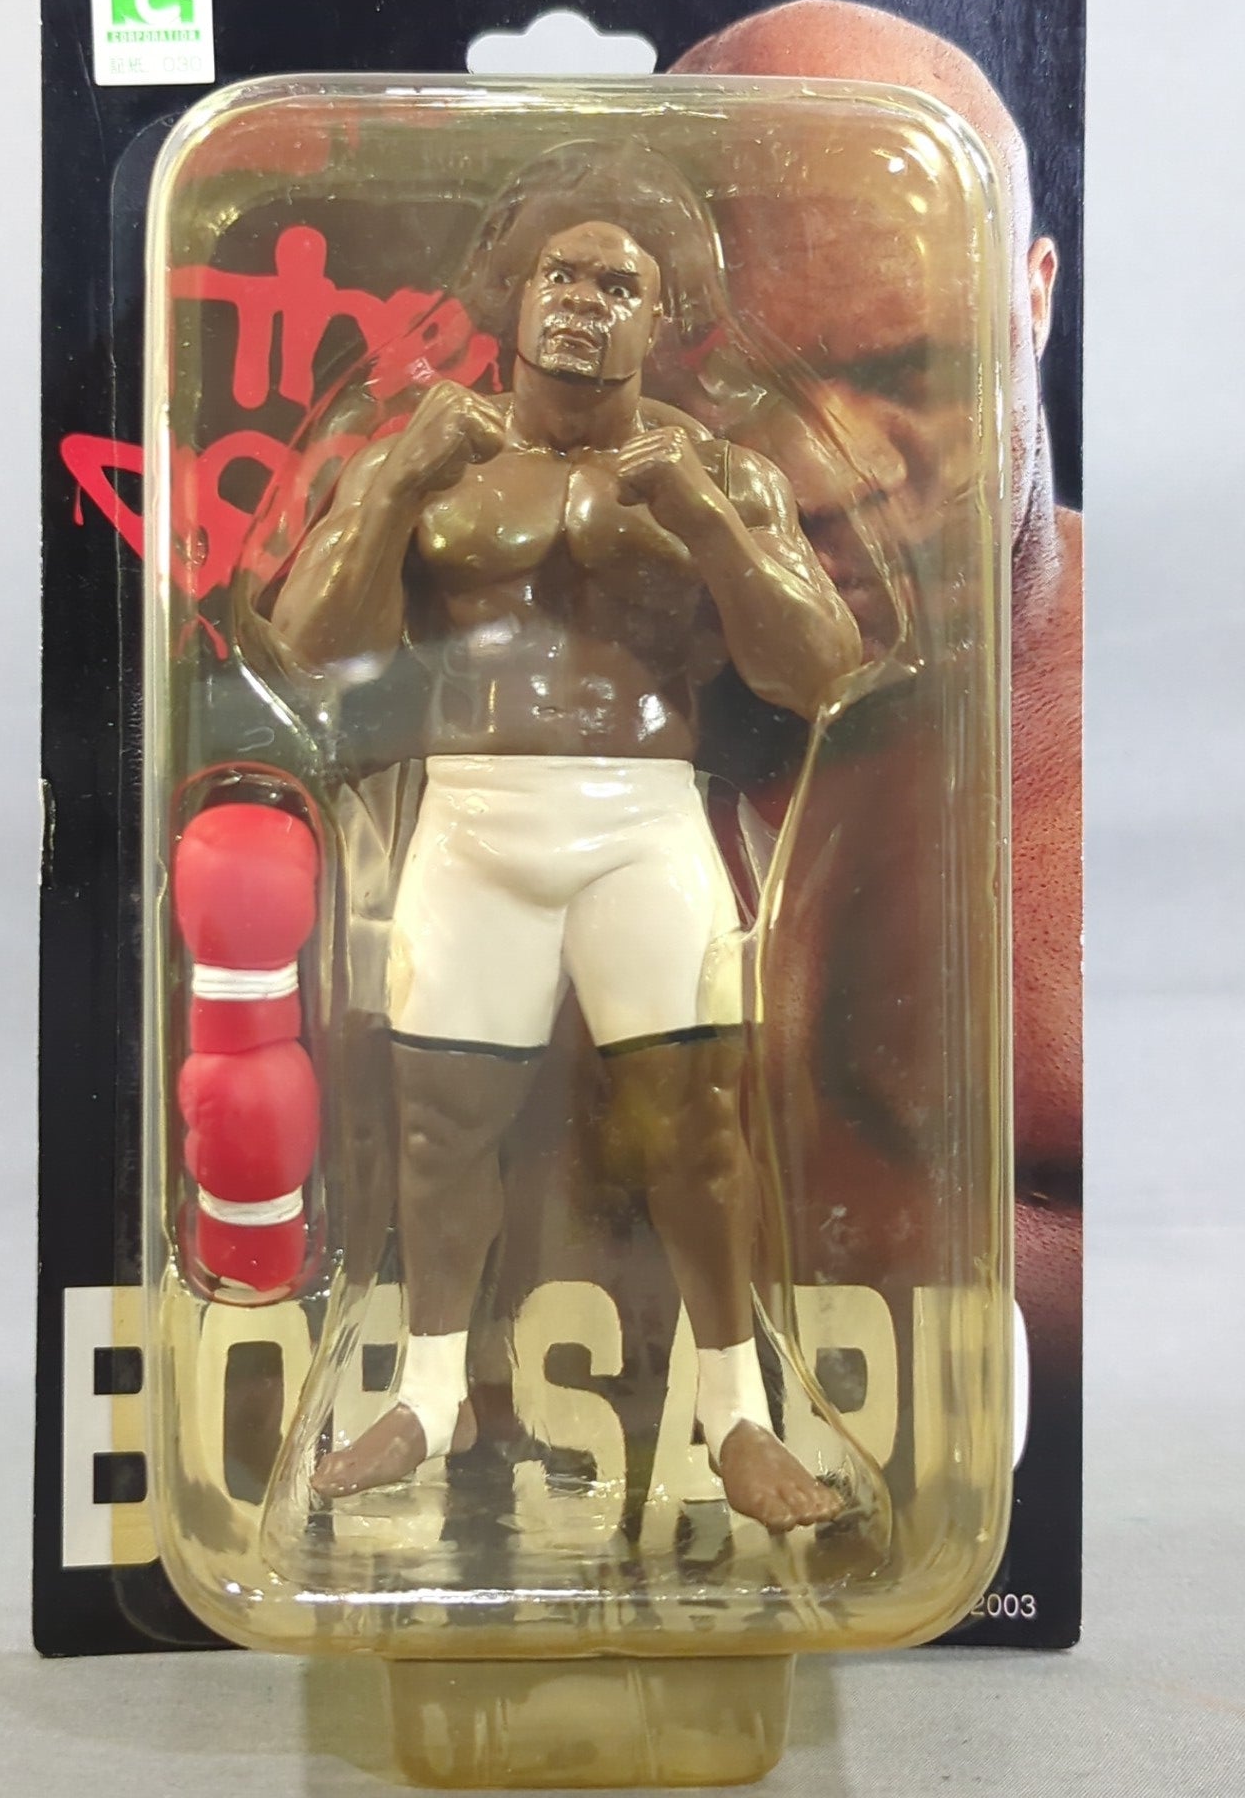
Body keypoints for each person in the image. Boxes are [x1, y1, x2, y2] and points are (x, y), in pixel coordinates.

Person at [268, 215, 861, 1531]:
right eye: (563, 274)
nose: (585, 300)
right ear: (516, 294)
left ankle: (738, 1415)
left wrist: (706, 524)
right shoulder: (435, 454)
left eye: (619, 282)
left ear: (666, 317)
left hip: (644, 815)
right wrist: (390, 486)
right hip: (472, 816)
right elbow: (307, 650)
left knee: (700, 1121)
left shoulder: (718, 469)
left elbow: (820, 671)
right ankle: (430, 1397)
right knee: (438, 1124)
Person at [671, 0, 1082, 1383]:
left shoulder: (1184, 732)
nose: (809, 472)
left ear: (1033, 299)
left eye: (907, 372)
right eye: (734, 380)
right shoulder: (522, 719)